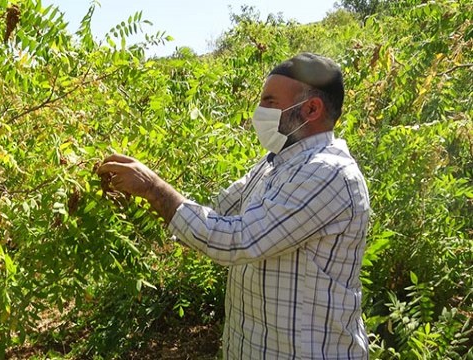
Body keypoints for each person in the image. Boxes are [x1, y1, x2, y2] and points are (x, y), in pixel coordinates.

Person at [98, 53, 370, 359]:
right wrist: (140, 196)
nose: (259, 111)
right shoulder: (273, 165)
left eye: (269, 101)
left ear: (311, 109)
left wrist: (153, 186)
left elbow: (237, 240)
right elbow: (212, 215)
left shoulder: (328, 173)